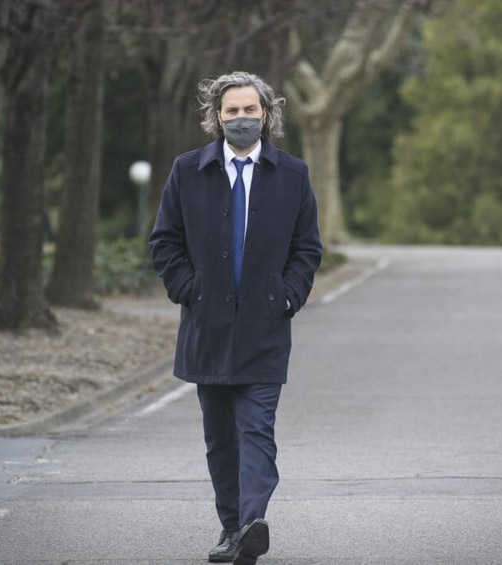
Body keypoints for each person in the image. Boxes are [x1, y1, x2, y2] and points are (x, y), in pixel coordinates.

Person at [148, 71, 323, 565]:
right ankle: (232, 528)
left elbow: (307, 249)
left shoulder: (293, 175)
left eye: (250, 110)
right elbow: (164, 241)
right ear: (217, 116)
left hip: (265, 330)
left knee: (257, 431)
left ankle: (251, 523)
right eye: (232, 111)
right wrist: (190, 291)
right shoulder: (188, 171)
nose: (241, 118)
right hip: (207, 330)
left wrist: (286, 297)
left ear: (266, 115)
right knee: (221, 440)